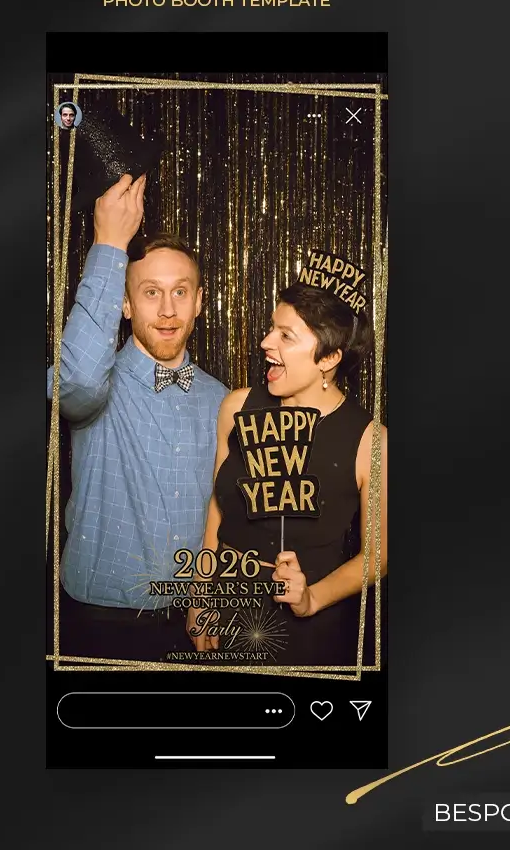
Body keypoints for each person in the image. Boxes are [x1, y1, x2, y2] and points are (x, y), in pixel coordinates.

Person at [51, 172, 228, 662]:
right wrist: (110, 244)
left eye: (180, 292)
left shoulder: (222, 399)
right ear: (125, 304)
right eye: (150, 292)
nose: (168, 309)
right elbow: (76, 380)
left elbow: (224, 511)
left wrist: (207, 591)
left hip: (192, 623)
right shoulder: (96, 381)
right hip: (101, 624)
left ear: (200, 301)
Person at [187, 281, 387, 666]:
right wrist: (201, 595)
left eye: (285, 335)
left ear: (329, 357)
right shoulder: (236, 408)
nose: (265, 342)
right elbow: (218, 508)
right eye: (270, 328)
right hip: (229, 606)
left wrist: (312, 599)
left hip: (310, 629)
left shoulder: (370, 442)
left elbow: (377, 556)